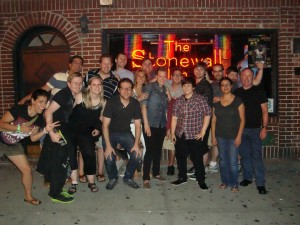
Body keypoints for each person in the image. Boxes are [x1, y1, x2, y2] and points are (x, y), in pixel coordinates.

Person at [0, 89, 58, 205]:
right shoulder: (19, 109)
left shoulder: (38, 119)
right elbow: (1, 124)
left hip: (13, 145)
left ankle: (28, 197)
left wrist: (46, 130)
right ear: (33, 101)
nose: (43, 105)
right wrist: (19, 128)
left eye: (45, 102)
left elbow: (33, 138)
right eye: (40, 102)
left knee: (27, 170)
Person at [36, 72, 83, 203]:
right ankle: (55, 194)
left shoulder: (71, 94)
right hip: (57, 132)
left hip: (63, 130)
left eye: (80, 83)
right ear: (69, 83)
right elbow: (48, 111)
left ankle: (56, 189)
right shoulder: (63, 94)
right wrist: (51, 133)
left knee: (61, 160)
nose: (78, 85)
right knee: (60, 162)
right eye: (75, 83)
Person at [67, 74, 106, 194]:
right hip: (71, 130)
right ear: (89, 86)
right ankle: (74, 183)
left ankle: (91, 182)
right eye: (94, 84)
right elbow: (67, 112)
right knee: (72, 156)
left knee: (89, 155)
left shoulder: (103, 102)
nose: (97, 87)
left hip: (86, 132)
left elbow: (101, 118)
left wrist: (98, 128)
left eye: (99, 84)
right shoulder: (80, 97)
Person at [170, 77, 211, 190]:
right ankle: (182, 177)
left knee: (197, 158)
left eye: (188, 85)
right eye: (184, 85)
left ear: (193, 87)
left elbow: (207, 114)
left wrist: (203, 131)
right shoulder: (178, 100)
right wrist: (173, 133)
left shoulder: (200, 99)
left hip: (195, 134)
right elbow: (174, 118)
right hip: (181, 134)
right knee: (180, 157)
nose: (186, 87)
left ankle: (201, 179)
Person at [102, 78, 143, 190]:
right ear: (119, 90)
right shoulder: (111, 102)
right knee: (109, 156)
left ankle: (128, 177)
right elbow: (105, 126)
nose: (126, 91)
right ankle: (113, 177)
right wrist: (109, 146)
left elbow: (138, 125)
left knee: (137, 154)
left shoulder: (135, 103)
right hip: (110, 133)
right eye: (123, 89)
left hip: (125, 132)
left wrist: (136, 144)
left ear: (132, 90)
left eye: (129, 89)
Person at [234, 68, 268, 195]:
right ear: (240, 78)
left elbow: (265, 111)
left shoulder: (259, 91)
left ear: (253, 77)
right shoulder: (237, 92)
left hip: (255, 130)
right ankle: (247, 178)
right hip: (241, 130)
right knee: (244, 155)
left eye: (249, 76)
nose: (246, 78)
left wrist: (264, 127)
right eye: (244, 76)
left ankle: (260, 183)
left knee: (257, 156)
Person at [211, 77, 245, 192]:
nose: (225, 87)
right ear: (220, 87)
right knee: (223, 161)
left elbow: (242, 120)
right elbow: (213, 121)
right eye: (222, 85)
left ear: (231, 86)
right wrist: (213, 136)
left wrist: (239, 136)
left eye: (227, 84)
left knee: (233, 162)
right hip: (220, 136)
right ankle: (224, 181)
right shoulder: (216, 102)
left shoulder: (237, 101)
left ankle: (234, 184)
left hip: (233, 136)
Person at [141, 67, 170, 189]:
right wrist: (146, 124)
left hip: (161, 124)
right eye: (160, 76)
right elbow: (143, 106)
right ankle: (146, 177)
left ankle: (156, 173)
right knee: (149, 150)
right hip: (150, 123)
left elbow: (167, 108)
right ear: (156, 76)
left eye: (164, 76)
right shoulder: (149, 87)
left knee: (158, 150)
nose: (162, 78)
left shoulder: (165, 89)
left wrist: (169, 97)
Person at [18, 55, 84, 104]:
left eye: (80, 63)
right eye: (75, 63)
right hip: (53, 112)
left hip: (70, 113)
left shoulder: (82, 82)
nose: (78, 65)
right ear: (70, 64)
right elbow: (42, 90)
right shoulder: (58, 76)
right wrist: (25, 99)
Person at [187, 62, 213, 178]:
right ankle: (198, 166)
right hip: (193, 121)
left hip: (202, 121)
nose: (198, 71)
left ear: (204, 72)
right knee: (196, 146)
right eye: (196, 69)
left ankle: (201, 171)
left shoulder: (206, 85)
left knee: (201, 146)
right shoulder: (194, 84)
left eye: (201, 69)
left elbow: (206, 106)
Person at [163, 68, 184, 176]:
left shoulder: (184, 89)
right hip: (161, 116)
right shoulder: (166, 83)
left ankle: (170, 165)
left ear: (182, 77)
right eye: (175, 75)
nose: (177, 77)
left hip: (175, 117)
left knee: (172, 142)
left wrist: (171, 99)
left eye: (179, 75)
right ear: (171, 76)